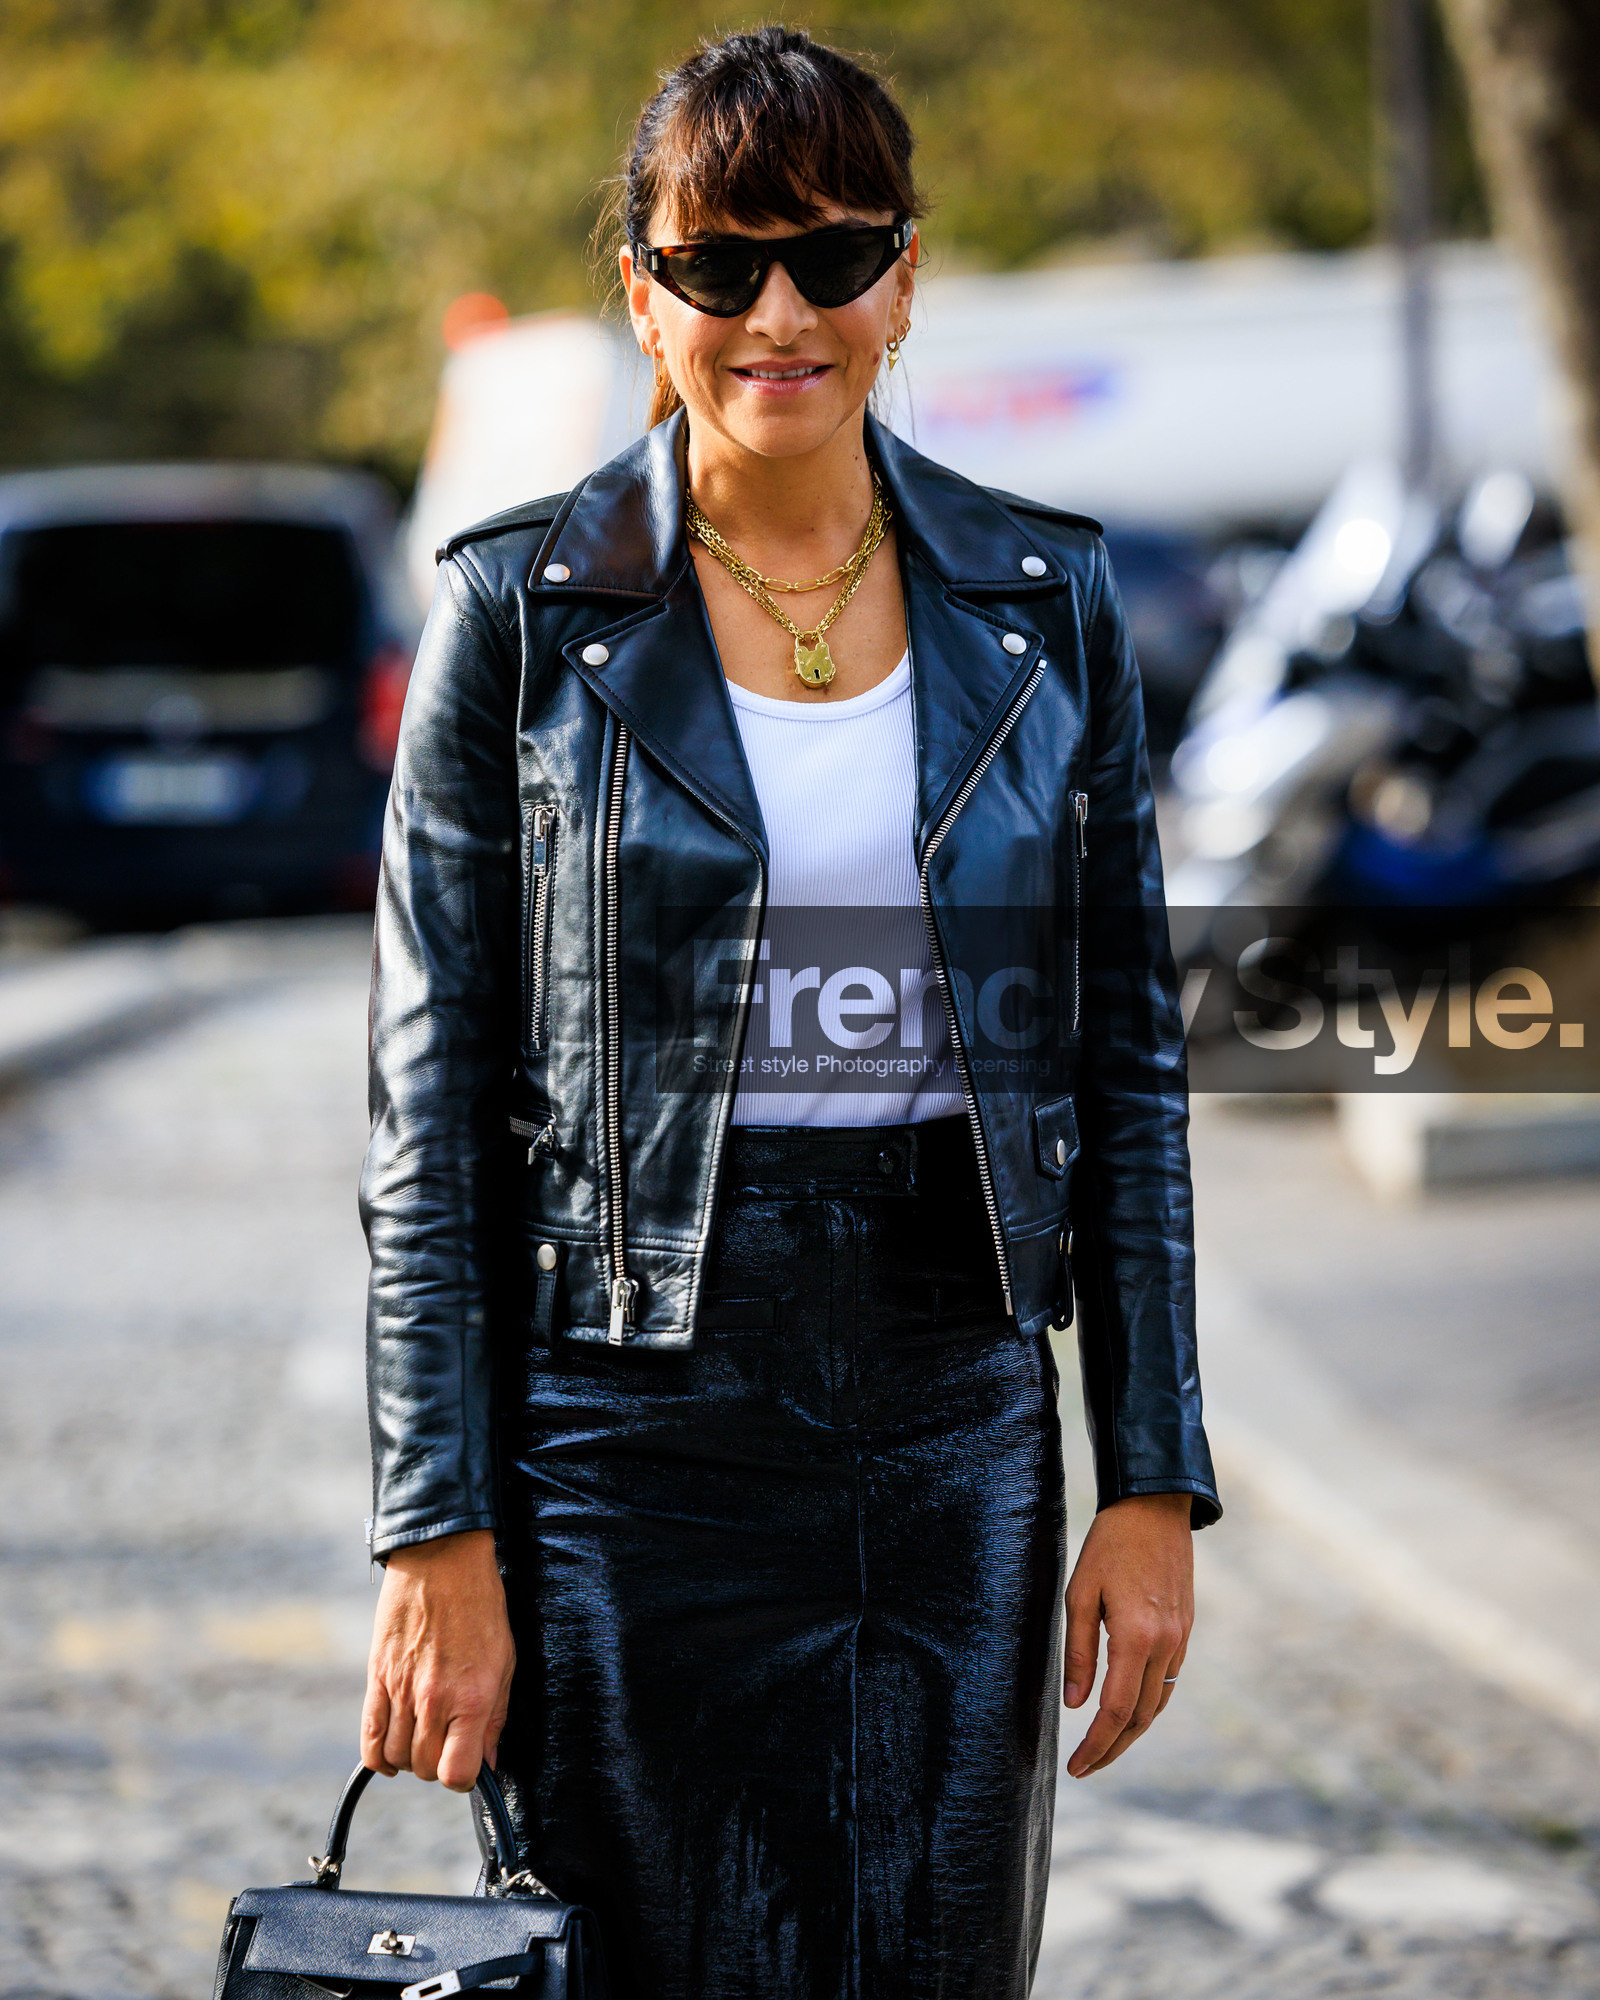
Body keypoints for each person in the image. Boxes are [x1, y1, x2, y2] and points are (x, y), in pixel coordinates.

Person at [358, 25, 1218, 2000]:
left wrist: (1147, 1473)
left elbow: (1127, 1073)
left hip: (950, 1419)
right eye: (717, 263)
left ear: (903, 279)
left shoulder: (1040, 601)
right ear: (640, 287)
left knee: (927, 1960)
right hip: (618, 1419)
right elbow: (429, 1110)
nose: (777, 312)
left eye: (831, 256)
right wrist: (436, 1528)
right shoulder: (518, 615)